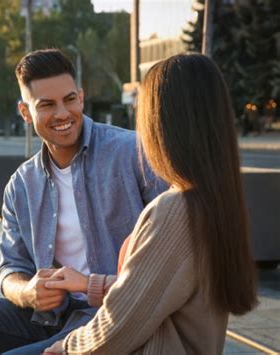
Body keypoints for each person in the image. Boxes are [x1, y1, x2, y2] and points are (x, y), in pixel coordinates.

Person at [0, 49, 167, 354]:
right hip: (51, 316)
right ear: (26, 113)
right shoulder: (21, 184)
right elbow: (11, 268)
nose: (63, 113)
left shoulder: (134, 153)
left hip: (116, 313)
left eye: (69, 99)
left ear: (81, 97)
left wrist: (91, 283)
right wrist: (27, 292)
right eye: (47, 105)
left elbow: (169, 256)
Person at [43, 53, 258, 354]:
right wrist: (90, 284)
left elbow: (117, 328)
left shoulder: (175, 210)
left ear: (162, 126)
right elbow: (159, 288)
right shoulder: (216, 201)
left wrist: (64, 348)